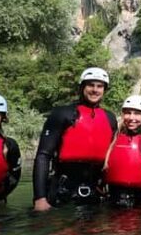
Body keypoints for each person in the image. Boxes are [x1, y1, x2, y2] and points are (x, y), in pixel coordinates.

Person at [32, 67, 118, 211]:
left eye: (100, 86)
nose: (95, 90)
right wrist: (40, 198)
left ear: (104, 90)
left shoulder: (110, 118)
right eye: (90, 85)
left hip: (94, 191)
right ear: (82, 87)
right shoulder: (62, 113)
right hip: (63, 189)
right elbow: (43, 155)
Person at [102, 94, 141, 207]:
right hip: (113, 200)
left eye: (137, 114)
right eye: (128, 113)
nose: (131, 118)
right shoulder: (112, 138)